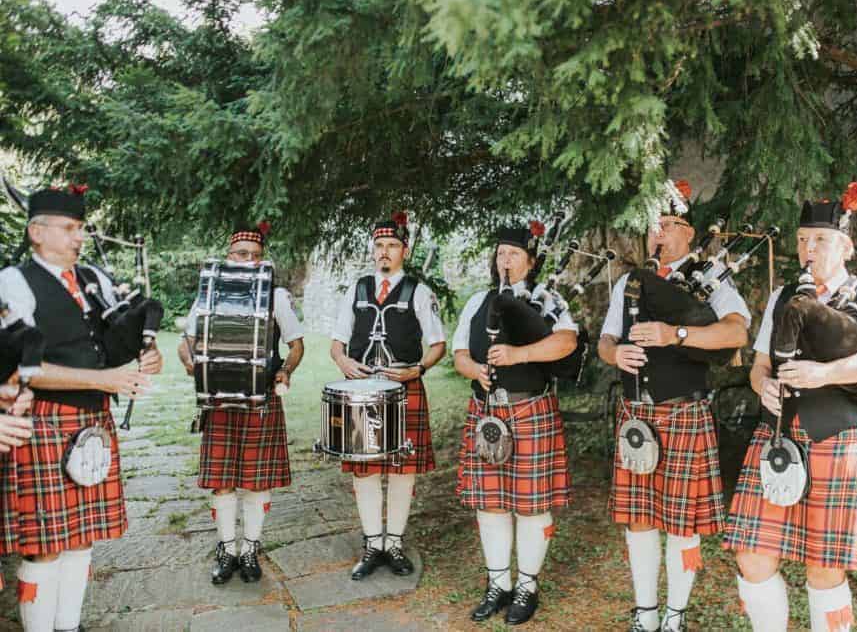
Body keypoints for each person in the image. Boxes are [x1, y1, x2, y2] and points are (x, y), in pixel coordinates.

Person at [723, 183, 857, 632]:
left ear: (845, 247)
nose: (809, 248)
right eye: (802, 239)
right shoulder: (783, 295)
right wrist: (763, 386)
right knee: (752, 556)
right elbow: (760, 365)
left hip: (844, 439)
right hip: (779, 438)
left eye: (821, 239)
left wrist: (826, 373)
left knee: (824, 567)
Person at [0, 184, 162, 631]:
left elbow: (117, 341)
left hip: (92, 419)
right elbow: (20, 366)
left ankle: (69, 626)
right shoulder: (13, 282)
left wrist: (148, 354)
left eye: (81, 228)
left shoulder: (94, 278)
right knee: (44, 545)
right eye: (70, 228)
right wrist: (102, 381)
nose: (79, 237)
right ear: (37, 232)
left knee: (82, 537)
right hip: (42, 420)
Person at [598, 180, 751, 632]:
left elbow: (736, 332)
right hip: (636, 412)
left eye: (667, 225)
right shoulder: (629, 281)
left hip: (685, 411)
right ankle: (646, 614)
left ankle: (674, 616)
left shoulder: (710, 276)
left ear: (688, 233)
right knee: (639, 519)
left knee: (682, 522)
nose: (658, 234)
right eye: (653, 227)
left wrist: (676, 334)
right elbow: (606, 340)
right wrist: (615, 354)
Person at [452, 222, 577, 626]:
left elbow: (566, 342)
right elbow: (459, 353)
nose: (505, 260)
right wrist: (475, 370)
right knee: (490, 504)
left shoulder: (547, 298)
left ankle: (527, 586)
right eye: (501, 253)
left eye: (514, 254)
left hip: (530, 410)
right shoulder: (479, 300)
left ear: (531, 262)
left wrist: (518, 355)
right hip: (487, 412)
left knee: (532, 505)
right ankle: (499, 583)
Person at [178, 223, 304, 586]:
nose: (249, 261)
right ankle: (227, 549)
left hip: (261, 396)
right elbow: (186, 342)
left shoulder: (275, 296)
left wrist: (285, 371)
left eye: (256, 256)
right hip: (218, 397)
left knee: (256, 481)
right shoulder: (210, 292)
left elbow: (296, 345)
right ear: (229, 257)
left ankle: (250, 549)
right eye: (242, 254)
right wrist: (191, 362)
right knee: (221, 481)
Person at [330, 212, 446, 581]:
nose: (385, 251)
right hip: (361, 390)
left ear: (404, 251)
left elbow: (438, 344)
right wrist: (343, 361)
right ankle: (372, 544)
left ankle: (394, 543)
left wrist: (419, 369)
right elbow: (337, 343)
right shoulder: (357, 289)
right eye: (379, 245)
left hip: (404, 389)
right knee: (365, 472)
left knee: (401, 471)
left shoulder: (418, 292)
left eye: (392, 245)